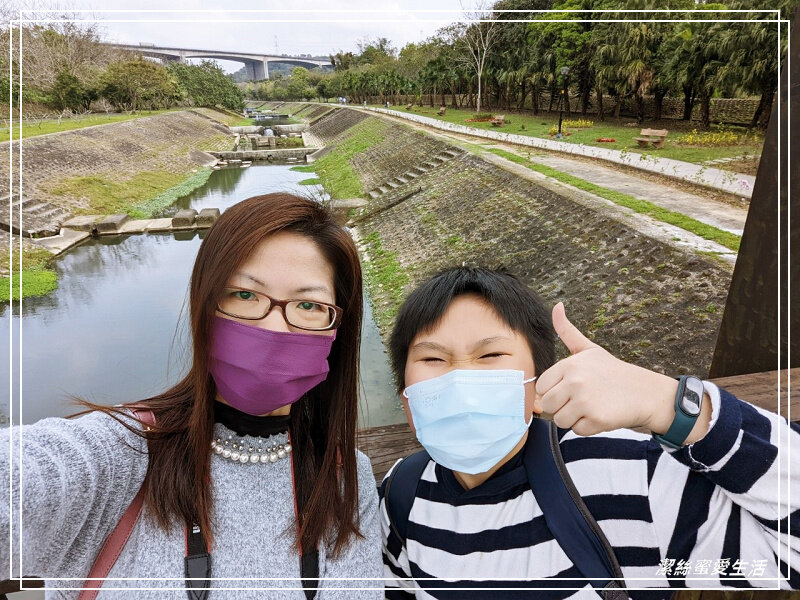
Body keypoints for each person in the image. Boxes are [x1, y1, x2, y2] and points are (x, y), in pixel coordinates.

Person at [1, 193, 383, 598]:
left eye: (308, 304)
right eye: (244, 294)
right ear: (205, 303)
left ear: (336, 327)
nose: (274, 329)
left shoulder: (344, 476)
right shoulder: (119, 455)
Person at [380, 266, 799, 598]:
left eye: (490, 354)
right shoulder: (403, 492)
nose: (461, 379)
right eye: (433, 359)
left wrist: (669, 404)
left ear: (538, 382)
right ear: (406, 397)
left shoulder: (631, 480)